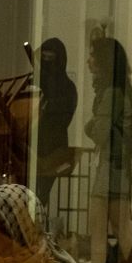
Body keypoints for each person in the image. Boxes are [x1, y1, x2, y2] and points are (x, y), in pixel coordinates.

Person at [83, 37, 132, 263]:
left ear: (103, 61)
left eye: (92, 55)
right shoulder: (120, 91)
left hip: (112, 168)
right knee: (120, 231)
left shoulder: (110, 94)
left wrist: (90, 126)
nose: (89, 60)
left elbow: (98, 131)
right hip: (119, 168)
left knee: (103, 230)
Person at [32, 37, 78, 207]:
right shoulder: (36, 82)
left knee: (39, 197)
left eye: (50, 58)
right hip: (35, 148)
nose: (46, 63)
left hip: (52, 150)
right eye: (44, 58)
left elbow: (63, 118)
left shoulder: (67, 88)